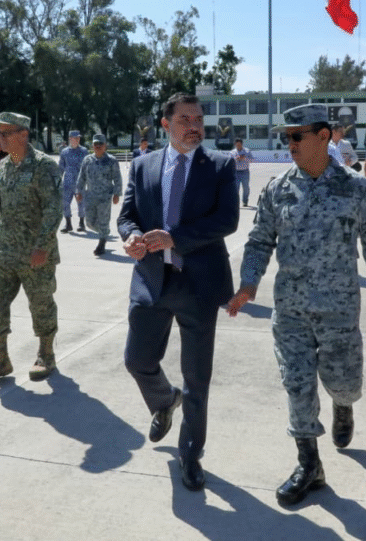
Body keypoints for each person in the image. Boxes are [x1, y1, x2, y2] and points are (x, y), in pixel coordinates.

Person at [227, 103, 366, 506]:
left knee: (345, 382)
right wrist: (249, 282)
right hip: (290, 310)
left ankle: (343, 405)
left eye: (296, 136)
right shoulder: (278, 189)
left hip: (339, 309)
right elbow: (259, 240)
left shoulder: (355, 188)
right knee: (297, 383)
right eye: (286, 137)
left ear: (323, 136)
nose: (289, 144)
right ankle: (309, 463)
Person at [117, 92, 238, 492]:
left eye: (198, 119)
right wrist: (130, 237)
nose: (194, 126)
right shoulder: (143, 165)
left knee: (196, 378)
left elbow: (227, 220)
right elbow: (128, 215)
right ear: (166, 124)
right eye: (185, 119)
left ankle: (190, 453)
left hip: (198, 284)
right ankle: (163, 400)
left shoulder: (219, 164)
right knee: (137, 360)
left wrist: (174, 238)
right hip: (152, 279)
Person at [0, 113, 62, 387]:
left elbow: (53, 209)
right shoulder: (1, 166)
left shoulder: (44, 166)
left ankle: (46, 354)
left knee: (41, 304)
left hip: (34, 254)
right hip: (1, 252)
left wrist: (42, 246)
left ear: (23, 134)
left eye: (5, 133)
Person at [74, 134, 122, 256]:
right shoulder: (87, 160)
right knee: (89, 223)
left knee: (103, 220)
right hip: (90, 196)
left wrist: (117, 194)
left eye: (101, 144)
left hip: (105, 197)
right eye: (96, 144)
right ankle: (104, 233)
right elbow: (81, 177)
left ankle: (102, 243)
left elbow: (117, 178)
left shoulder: (111, 161)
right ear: (92, 146)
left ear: (105, 146)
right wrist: (78, 191)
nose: (98, 146)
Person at [59, 130, 87, 233]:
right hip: (67, 182)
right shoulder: (64, 152)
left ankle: (81, 223)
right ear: (70, 139)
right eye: (75, 138)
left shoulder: (84, 151)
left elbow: (87, 167)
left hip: (79, 182)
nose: (77, 140)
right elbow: (61, 167)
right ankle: (68, 224)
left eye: (78, 138)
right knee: (65, 203)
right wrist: (57, 180)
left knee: (81, 203)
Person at [230, 138, 255, 206]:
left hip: (245, 172)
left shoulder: (247, 151)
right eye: (237, 145)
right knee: (236, 188)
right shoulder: (232, 152)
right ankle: (236, 202)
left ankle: (245, 201)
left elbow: (252, 160)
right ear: (235, 144)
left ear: (242, 144)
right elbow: (229, 161)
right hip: (236, 172)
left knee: (246, 188)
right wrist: (236, 159)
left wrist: (244, 158)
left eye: (239, 145)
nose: (238, 146)